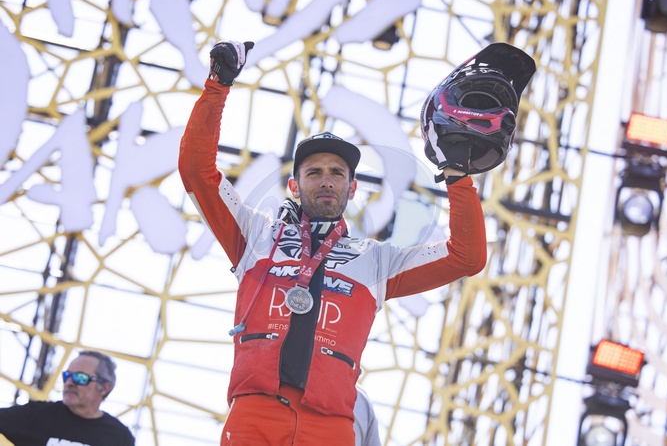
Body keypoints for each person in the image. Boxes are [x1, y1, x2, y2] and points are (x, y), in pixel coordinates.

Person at [178, 40, 533, 445]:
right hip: (256, 413)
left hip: (331, 426)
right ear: (294, 185)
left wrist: (456, 174)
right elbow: (196, 171)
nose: (326, 180)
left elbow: (466, 257)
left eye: (337, 173)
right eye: (313, 172)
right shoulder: (255, 235)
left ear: (352, 188)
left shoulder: (377, 262)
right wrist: (217, 86)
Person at [0, 349, 135, 446]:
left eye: (80, 378)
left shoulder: (119, 437)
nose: (69, 383)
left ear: (104, 388)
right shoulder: (35, 415)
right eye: (67, 376)